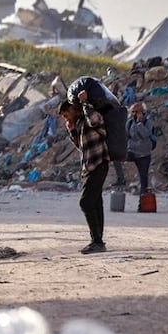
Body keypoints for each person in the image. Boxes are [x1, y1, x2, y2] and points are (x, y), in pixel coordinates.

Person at [59, 98, 110, 254]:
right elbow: (81, 146)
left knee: (85, 202)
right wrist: (72, 129)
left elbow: (96, 120)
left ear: (73, 109)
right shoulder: (80, 123)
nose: (66, 119)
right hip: (90, 166)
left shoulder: (90, 117)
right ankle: (98, 240)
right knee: (95, 202)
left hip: (99, 163)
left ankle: (97, 241)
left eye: (66, 115)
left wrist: (85, 102)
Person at [126, 102, 156, 202]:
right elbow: (127, 135)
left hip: (144, 154)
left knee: (144, 178)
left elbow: (145, 134)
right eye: (133, 112)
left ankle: (143, 202)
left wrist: (139, 123)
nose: (134, 114)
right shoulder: (130, 123)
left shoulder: (148, 122)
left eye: (137, 112)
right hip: (132, 151)